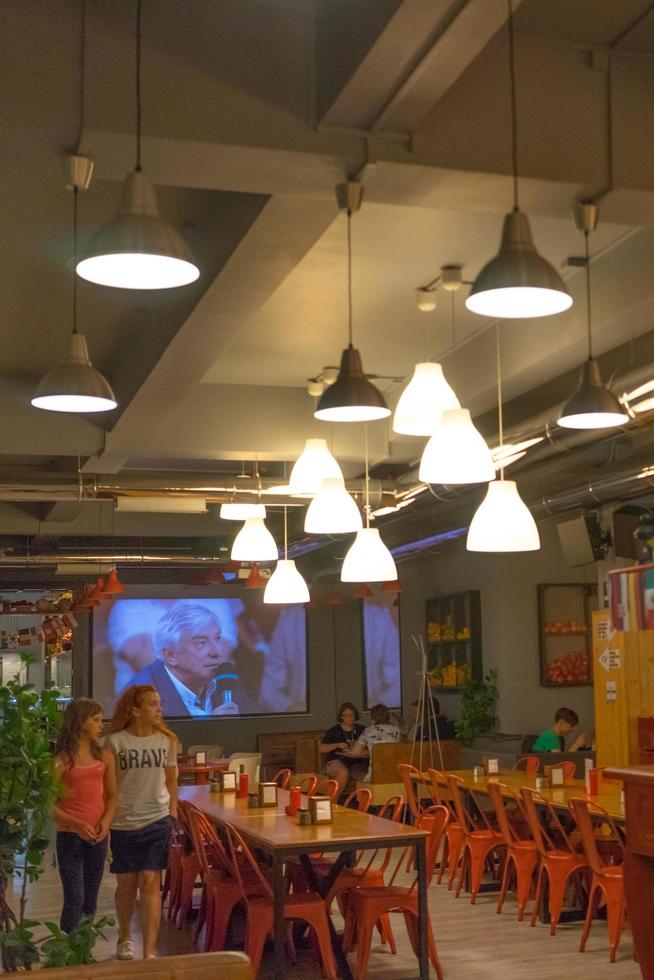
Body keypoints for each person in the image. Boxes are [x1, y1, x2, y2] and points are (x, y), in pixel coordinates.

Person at [105, 685, 178, 960]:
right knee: (126, 884)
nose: (159, 709)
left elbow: (171, 779)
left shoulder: (166, 740)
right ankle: (125, 937)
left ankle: (149, 949)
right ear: (135, 710)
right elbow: (109, 788)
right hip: (123, 822)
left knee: (150, 880)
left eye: (160, 703)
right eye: (152, 704)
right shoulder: (115, 742)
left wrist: (172, 811)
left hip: (157, 819)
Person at [53, 698, 117, 934]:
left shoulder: (104, 758)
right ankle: (67, 950)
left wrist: (106, 822)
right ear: (81, 722)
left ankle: (83, 950)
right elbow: (48, 804)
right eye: (96, 720)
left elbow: (112, 796)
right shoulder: (61, 761)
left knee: (90, 900)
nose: (102, 724)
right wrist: (75, 823)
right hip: (70, 836)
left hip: (97, 837)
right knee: (74, 898)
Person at [127, 602, 251, 717]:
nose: (216, 652)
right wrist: (212, 727)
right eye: (201, 643)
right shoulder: (141, 697)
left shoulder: (227, 680)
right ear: (171, 656)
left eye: (218, 638)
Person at [319, 702, 367, 795]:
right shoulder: (335, 730)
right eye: (346, 715)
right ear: (341, 717)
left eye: (352, 715)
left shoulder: (362, 729)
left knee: (365, 773)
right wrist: (336, 745)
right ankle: (332, 803)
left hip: (358, 761)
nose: (350, 717)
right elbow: (321, 748)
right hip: (336, 760)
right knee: (343, 772)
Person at [350, 703, 402, 780]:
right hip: (394, 774)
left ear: (373, 718)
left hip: (374, 775)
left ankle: (363, 790)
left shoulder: (369, 731)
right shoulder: (396, 730)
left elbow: (354, 752)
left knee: (354, 769)